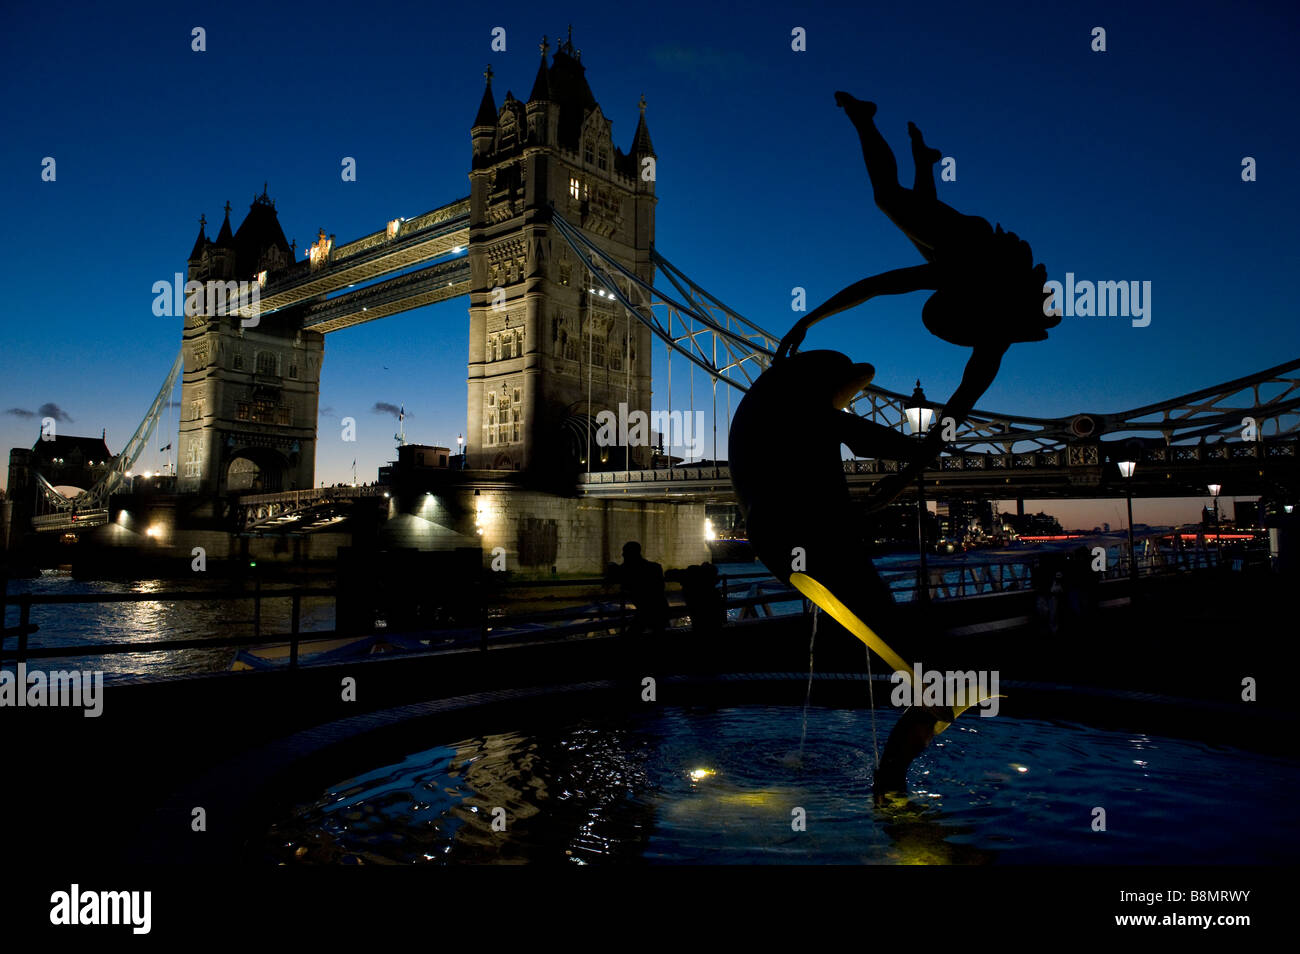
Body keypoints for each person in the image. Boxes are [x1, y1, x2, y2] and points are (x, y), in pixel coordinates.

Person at [616, 541, 669, 638]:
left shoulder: (629, 569)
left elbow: (618, 573)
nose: (622, 554)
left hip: (647, 611)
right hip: (660, 608)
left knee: (632, 634)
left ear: (630, 554)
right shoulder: (655, 567)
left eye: (625, 552)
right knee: (659, 632)